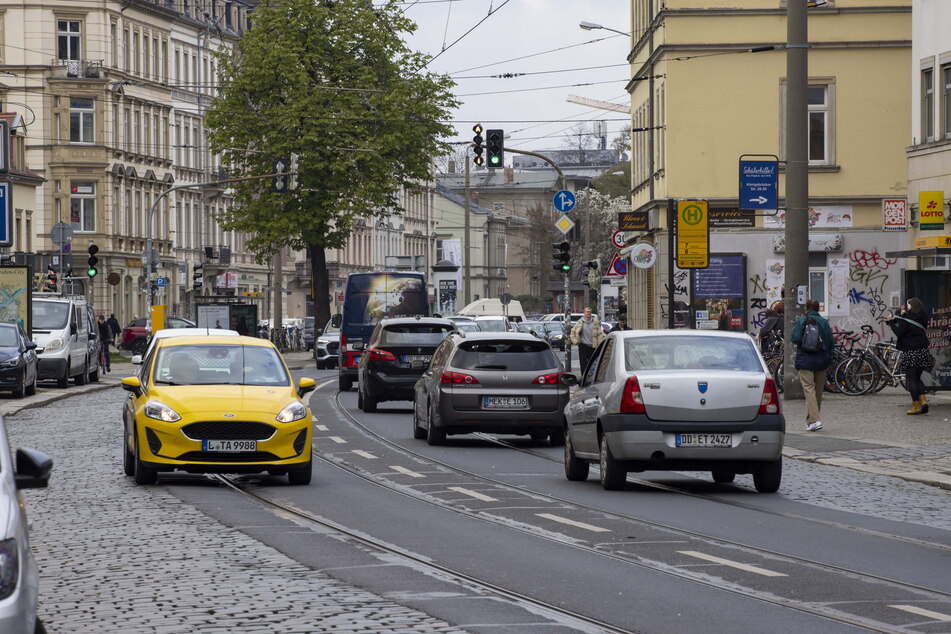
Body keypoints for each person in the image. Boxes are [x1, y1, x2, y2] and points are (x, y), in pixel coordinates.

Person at [791, 298, 833, 432]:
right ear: (819, 308)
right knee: (818, 391)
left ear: (806, 308)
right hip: (821, 360)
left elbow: (795, 338)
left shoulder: (802, 320)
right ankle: (811, 422)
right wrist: (829, 358)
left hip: (806, 359)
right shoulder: (824, 322)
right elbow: (831, 342)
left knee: (809, 390)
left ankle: (815, 420)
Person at [887, 298, 933, 415]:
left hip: (910, 351)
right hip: (922, 351)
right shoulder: (923, 316)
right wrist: (902, 315)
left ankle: (916, 406)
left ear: (909, 306)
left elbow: (899, 332)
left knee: (912, 379)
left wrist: (891, 322)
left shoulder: (906, 318)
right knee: (918, 378)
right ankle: (923, 402)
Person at [570, 307, 605, 373]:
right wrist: (576, 342)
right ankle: (583, 377)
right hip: (583, 345)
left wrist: (599, 345)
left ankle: (591, 377)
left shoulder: (595, 322)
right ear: (584, 313)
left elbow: (600, 335)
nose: (588, 314)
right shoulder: (580, 322)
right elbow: (573, 333)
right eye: (587, 312)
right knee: (583, 363)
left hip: (593, 346)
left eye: (590, 312)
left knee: (592, 363)